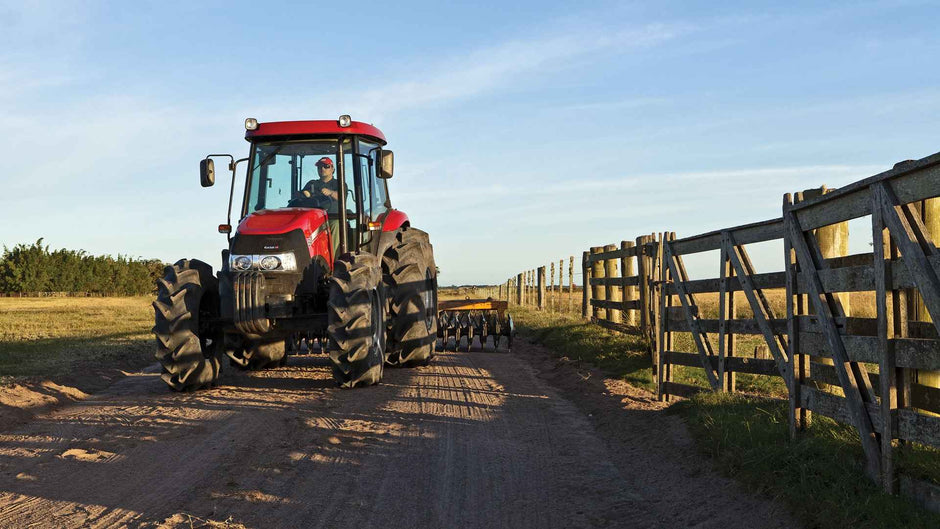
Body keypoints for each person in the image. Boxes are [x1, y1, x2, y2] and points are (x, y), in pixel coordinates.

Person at [297, 156, 344, 255]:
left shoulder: (339, 184)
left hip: (332, 218)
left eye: (326, 166)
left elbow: (341, 197)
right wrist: (305, 194)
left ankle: (332, 256)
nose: (322, 169)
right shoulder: (312, 184)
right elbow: (300, 196)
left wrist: (331, 193)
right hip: (315, 219)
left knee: (336, 224)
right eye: (319, 167)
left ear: (332, 169)